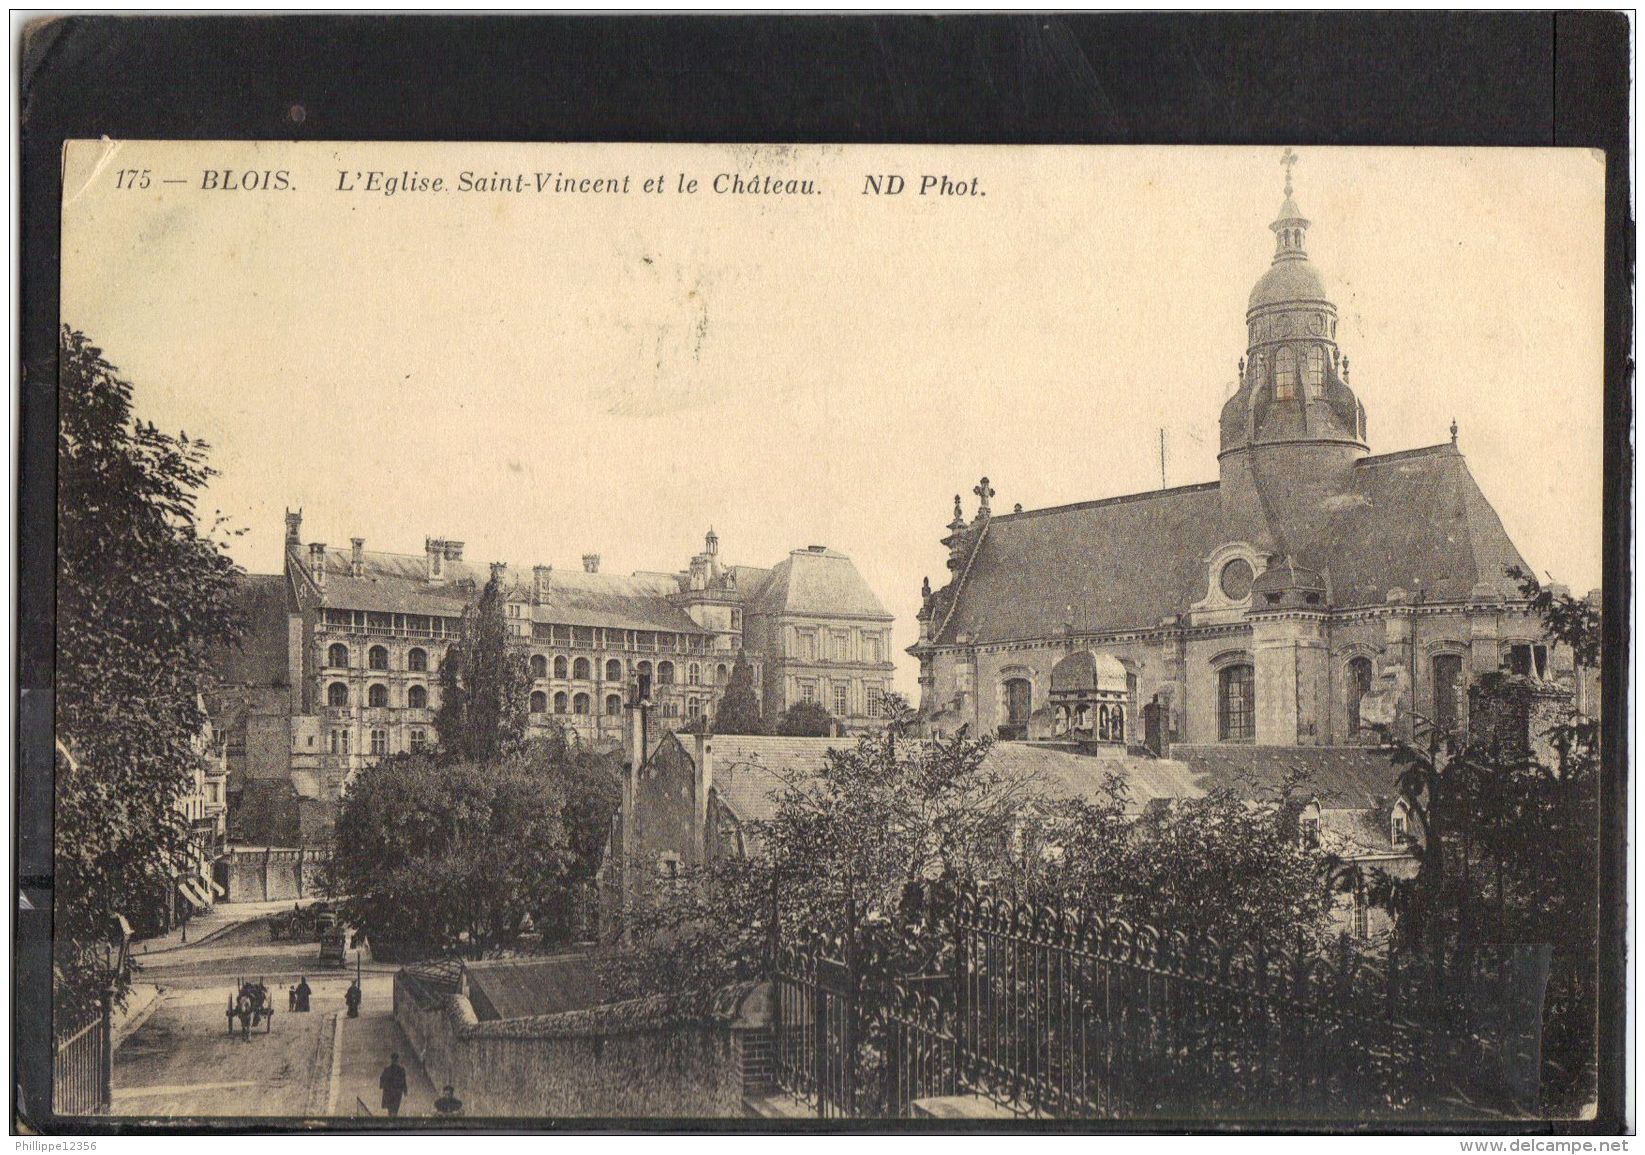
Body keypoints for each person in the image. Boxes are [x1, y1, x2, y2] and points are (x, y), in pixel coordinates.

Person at [379, 1052, 408, 1118]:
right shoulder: (401, 1070)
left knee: (391, 1108)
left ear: (391, 1060)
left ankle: (391, 1119)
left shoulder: (387, 1069)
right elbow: (404, 1081)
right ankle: (393, 1118)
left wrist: (382, 1086)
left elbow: (382, 1078)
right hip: (397, 1092)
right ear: (397, 1060)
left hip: (390, 1092)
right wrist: (405, 1090)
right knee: (395, 1108)